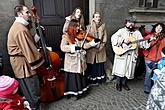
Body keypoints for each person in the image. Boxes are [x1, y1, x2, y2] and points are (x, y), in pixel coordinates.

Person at [7, 5, 44, 110]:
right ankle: (35, 107)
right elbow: (28, 48)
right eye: (27, 12)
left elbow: (29, 42)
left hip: (21, 61)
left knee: (29, 88)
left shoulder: (20, 26)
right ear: (20, 14)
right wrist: (36, 63)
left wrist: (39, 34)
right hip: (23, 64)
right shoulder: (20, 29)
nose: (29, 14)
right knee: (32, 89)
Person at [60, 19, 100, 99]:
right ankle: (73, 93)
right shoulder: (66, 36)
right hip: (72, 61)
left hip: (80, 60)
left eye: (79, 26)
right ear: (72, 27)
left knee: (80, 77)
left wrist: (92, 43)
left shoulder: (79, 36)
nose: (79, 28)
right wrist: (73, 48)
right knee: (73, 77)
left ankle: (81, 92)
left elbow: (84, 46)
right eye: (77, 26)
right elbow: (62, 47)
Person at [111, 16, 149, 91]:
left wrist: (149, 42)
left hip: (131, 55)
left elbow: (142, 43)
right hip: (122, 54)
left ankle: (124, 83)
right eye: (129, 22)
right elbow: (113, 38)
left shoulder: (137, 33)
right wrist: (122, 40)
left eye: (132, 22)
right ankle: (118, 84)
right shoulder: (121, 31)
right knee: (120, 70)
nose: (131, 24)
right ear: (126, 23)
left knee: (128, 70)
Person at [86, 12, 107, 85]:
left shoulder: (103, 26)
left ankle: (99, 80)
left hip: (100, 49)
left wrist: (101, 46)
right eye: (96, 17)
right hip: (92, 49)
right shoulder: (88, 27)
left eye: (99, 16)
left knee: (99, 64)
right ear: (93, 18)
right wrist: (93, 44)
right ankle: (93, 81)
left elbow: (105, 38)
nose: (98, 18)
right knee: (93, 64)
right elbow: (87, 38)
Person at [143, 23, 165, 94]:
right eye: (157, 27)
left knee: (158, 74)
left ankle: (156, 88)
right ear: (155, 28)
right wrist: (150, 40)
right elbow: (143, 46)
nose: (158, 29)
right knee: (148, 74)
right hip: (149, 58)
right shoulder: (150, 36)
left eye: (160, 28)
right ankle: (147, 88)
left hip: (160, 59)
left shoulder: (164, 38)